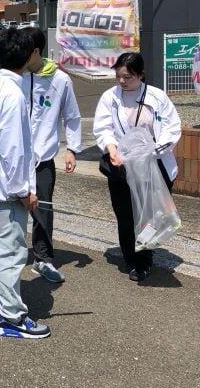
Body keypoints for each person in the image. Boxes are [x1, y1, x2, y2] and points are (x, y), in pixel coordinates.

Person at [0, 29, 50, 340]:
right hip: (8, 187)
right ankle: (11, 316)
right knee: (13, 250)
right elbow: (15, 150)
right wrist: (24, 191)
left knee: (3, 240)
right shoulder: (14, 94)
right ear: (30, 55)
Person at [93, 52, 182, 282]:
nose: (122, 81)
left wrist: (151, 152)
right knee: (124, 214)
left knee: (149, 215)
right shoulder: (109, 97)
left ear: (141, 75)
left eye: (128, 77)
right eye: (119, 76)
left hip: (153, 166)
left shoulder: (157, 97)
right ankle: (130, 256)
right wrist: (111, 149)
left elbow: (172, 129)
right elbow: (103, 128)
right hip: (121, 165)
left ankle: (144, 260)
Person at [20, 28, 82, 283]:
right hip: (15, 158)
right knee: (12, 208)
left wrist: (71, 149)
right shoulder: (15, 77)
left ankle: (43, 259)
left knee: (42, 209)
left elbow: (72, 115)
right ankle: (9, 255)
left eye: (24, 51)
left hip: (43, 158)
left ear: (36, 51)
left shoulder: (60, 80)